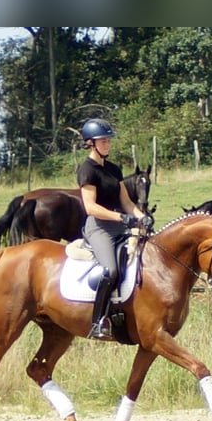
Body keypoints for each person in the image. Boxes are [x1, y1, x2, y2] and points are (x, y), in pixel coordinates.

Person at [77, 118, 154, 340]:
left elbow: (127, 202)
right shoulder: (86, 170)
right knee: (110, 270)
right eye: (104, 140)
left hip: (119, 226)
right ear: (91, 143)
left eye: (109, 140)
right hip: (99, 229)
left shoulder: (113, 169)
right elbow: (91, 207)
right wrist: (122, 218)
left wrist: (141, 217)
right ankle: (98, 321)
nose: (108, 144)